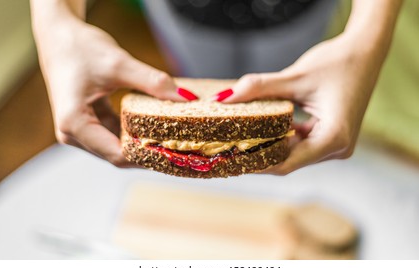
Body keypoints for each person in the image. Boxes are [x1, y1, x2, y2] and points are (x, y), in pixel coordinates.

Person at [29, 0, 404, 175]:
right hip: (183, 10)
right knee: (200, 71)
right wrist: (55, 21)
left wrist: (368, 34)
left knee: (281, 79)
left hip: (297, 10)